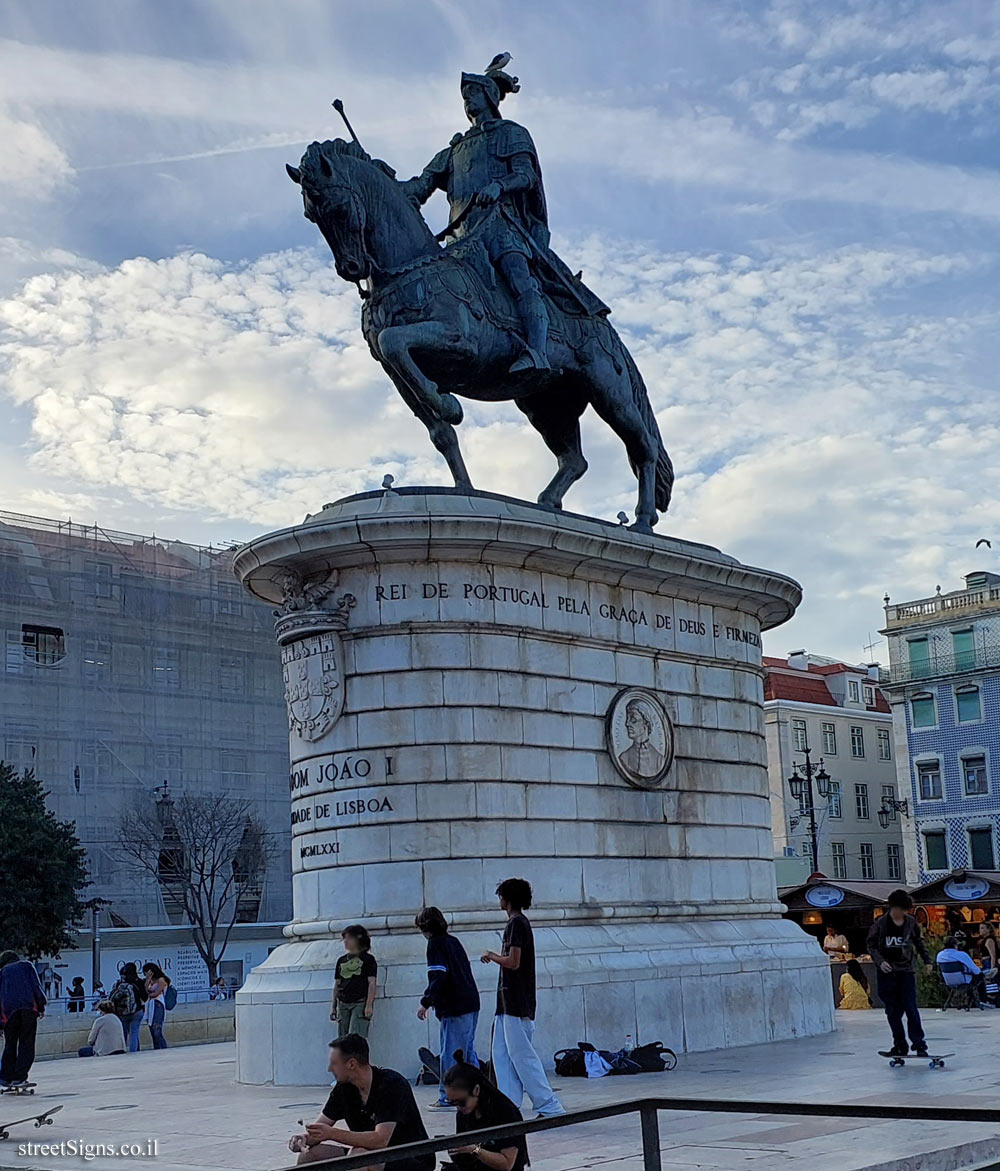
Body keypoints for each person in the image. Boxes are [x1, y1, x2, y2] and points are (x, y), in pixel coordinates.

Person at [400, 56, 609, 381]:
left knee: (519, 277)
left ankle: (537, 350)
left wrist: (500, 186)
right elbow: (420, 186)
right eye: (465, 96)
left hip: (502, 227)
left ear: (488, 98)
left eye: (473, 94)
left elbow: (526, 176)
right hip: (461, 239)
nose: (468, 101)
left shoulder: (511, 134)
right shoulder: (455, 149)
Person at [288, 1034, 433, 1170]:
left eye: (334, 1063)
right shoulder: (344, 1088)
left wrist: (331, 1133)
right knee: (310, 1156)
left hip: (410, 1156)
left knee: (359, 1156)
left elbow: (380, 1141)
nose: (329, 1069)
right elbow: (321, 1128)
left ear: (351, 1064)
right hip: (371, 1154)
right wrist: (304, 1139)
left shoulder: (391, 1084)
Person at [481, 878, 563, 1118]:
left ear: (507, 899)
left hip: (516, 1002)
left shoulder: (516, 924)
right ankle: (508, 1105)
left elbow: (513, 962)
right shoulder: (517, 923)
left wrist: (492, 956)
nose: (500, 901)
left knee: (521, 1055)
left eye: (501, 897)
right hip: (508, 1002)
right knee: (501, 1055)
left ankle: (549, 1105)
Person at [415, 907, 481, 1109]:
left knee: (451, 1054)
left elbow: (439, 976)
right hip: (470, 1001)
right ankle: (479, 1090)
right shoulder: (453, 941)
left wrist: (426, 1002)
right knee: (468, 1053)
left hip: (454, 1006)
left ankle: (449, 1096)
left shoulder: (435, 944)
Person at [866, 889, 932, 1057]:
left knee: (911, 1008)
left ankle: (919, 1044)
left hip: (906, 972)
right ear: (893, 908)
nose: (903, 914)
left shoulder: (911, 923)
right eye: (901, 910)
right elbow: (871, 946)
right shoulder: (880, 924)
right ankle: (899, 1044)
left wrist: (927, 961)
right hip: (887, 973)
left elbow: (919, 942)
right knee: (893, 1011)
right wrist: (880, 962)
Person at [445, 1051, 528, 1171]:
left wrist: (474, 1149)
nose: (458, 1107)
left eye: (461, 1102)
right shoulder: (464, 1113)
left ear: (476, 1090)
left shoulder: (505, 1111)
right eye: (452, 1103)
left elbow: (507, 1164)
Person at [0, 951, 46, 1089]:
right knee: (26, 1043)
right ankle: (19, 1077)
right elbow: (36, 986)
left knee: (10, 1043)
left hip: (8, 1012)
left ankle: (5, 1077)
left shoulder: (1, 972)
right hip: (28, 1008)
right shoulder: (26, 966)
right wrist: (41, 1005)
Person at [331, 926, 377, 1040]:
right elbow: (337, 983)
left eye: (349, 938)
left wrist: (369, 1005)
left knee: (356, 1037)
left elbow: (372, 983)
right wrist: (333, 1006)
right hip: (343, 1002)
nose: (346, 942)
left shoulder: (368, 959)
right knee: (343, 1038)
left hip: (359, 1001)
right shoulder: (341, 960)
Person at [617, 699, 665, 779]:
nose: (627, 724)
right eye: (627, 719)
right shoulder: (624, 757)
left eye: (633, 720)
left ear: (646, 723)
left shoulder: (659, 760)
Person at [938, 935, 988, 1004]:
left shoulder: (939, 955)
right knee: (980, 976)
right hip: (963, 980)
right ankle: (981, 1001)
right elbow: (975, 970)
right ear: (955, 945)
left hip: (947, 981)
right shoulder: (961, 955)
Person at [110, 964, 145, 1052]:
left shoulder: (118, 984)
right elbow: (145, 997)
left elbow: (111, 997)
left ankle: (122, 1050)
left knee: (123, 1033)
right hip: (136, 1011)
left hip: (122, 1012)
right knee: (134, 1033)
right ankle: (134, 1052)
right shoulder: (138, 982)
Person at [142, 962, 170, 1050]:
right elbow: (146, 990)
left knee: (156, 1028)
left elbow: (156, 993)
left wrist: (150, 994)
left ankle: (162, 1047)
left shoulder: (161, 979)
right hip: (150, 1004)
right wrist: (148, 979)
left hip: (158, 1003)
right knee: (151, 1029)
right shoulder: (150, 980)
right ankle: (157, 1048)